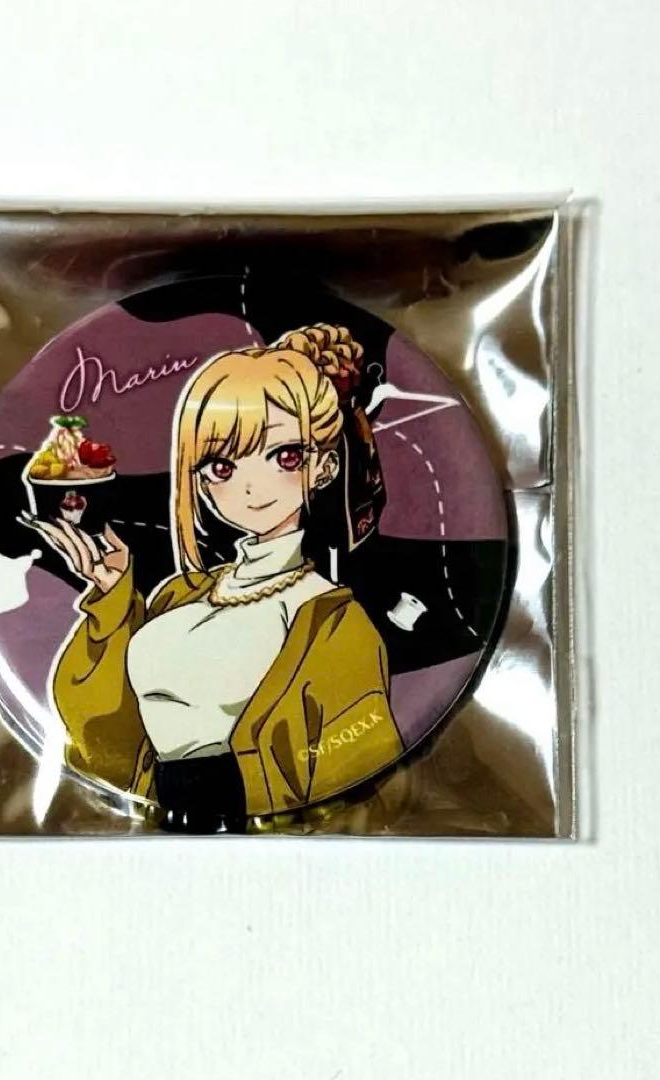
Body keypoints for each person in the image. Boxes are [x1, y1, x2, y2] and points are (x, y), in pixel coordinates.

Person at [25, 324, 402, 831]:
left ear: (324, 467)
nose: (251, 485)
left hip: (257, 831)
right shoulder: (179, 595)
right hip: (139, 823)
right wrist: (112, 598)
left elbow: (360, 769)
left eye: (284, 456)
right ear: (198, 478)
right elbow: (99, 734)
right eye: (221, 466)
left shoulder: (333, 622)